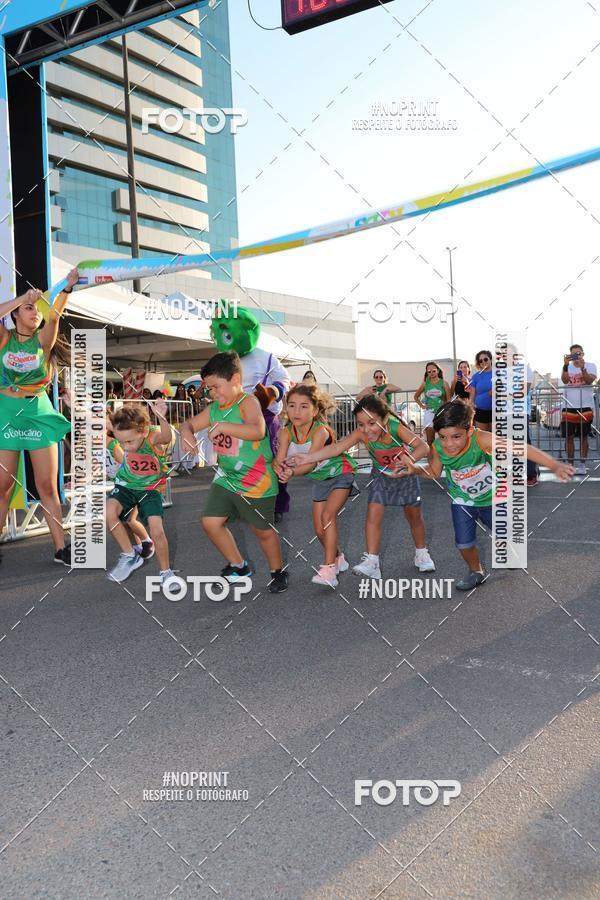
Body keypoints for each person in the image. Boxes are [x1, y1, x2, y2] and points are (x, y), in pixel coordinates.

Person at [403, 400, 574, 590]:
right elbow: (434, 472)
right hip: (463, 500)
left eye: (456, 436)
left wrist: (554, 465)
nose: (449, 443)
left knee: (503, 534)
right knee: (463, 543)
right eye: (443, 437)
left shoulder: (481, 439)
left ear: (469, 430)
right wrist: (414, 470)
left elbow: (521, 448)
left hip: (495, 497)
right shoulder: (437, 447)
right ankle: (475, 571)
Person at [286, 394, 434, 579]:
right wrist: (308, 457)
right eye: (361, 424)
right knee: (373, 515)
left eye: (372, 423)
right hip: (381, 476)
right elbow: (336, 448)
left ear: (384, 419)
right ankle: (372, 561)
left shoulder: (396, 429)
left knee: (414, 517)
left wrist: (409, 462)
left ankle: (421, 553)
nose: (366, 429)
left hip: (406, 475)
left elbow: (423, 447)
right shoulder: (361, 434)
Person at [179, 351, 288, 593]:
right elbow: (187, 424)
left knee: (263, 532)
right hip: (227, 478)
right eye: (209, 389)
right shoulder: (214, 409)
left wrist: (225, 427)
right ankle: (239, 565)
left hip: (256, 480)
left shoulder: (247, 402)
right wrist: (186, 434)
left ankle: (278, 571)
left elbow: (258, 431)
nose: (212, 393)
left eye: (216, 387)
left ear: (236, 379)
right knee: (210, 522)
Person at [0, 269, 78, 565]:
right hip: (6, 413)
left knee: (47, 486)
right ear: (16, 315)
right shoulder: (4, 339)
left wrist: (67, 289)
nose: (35, 312)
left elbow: (55, 316)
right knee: (2, 487)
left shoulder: (42, 341)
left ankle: (60, 549)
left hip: (37, 413)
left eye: (36, 309)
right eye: (28, 309)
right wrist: (22, 297)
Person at [273, 384, 358, 588]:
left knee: (328, 517)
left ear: (315, 410)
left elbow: (310, 463)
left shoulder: (320, 431)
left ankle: (329, 569)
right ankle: (338, 558)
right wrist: (279, 469)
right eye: (292, 406)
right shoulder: (285, 432)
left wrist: (291, 473)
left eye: (303, 406)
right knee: (319, 530)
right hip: (320, 481)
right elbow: (279, 459)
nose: (296, 411)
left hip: (341, 475)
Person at [106, 400, 175, 585]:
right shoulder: (123, 433)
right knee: (109, 513)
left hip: (149, 490)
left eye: (129, 441)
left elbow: (167, 437)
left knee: (157, 530)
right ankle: (130, 555)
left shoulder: (152, 437)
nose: (125, 447)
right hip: (126, 485)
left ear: (143, 432)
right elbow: (97, 421)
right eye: (121, 442)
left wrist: (161, 417)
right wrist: (76, 406)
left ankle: (166, 573)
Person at [105, 412, 155, 560]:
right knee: (122, 520)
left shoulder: (113, 444)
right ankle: (138, 547)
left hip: (132, 484)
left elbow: (127, 463)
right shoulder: (94, 446)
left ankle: (147, 542)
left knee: (130, 520)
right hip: (119, 485)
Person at [560, 343, 597, 475]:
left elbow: (589, 381)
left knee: (583, 437)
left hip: (585, 406)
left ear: (583, 354)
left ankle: (582, 464)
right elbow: (564, 381)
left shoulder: (591, 365)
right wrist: (565, 365)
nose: (576, 356)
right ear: (570, 355)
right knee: (568, 437)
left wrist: (583, 369)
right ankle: (570, 464)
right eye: (574, 354)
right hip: (568, 406)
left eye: (579, 353)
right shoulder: (567, 367)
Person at [414, 362, 451, 444]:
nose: (431, 373)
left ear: (438, 371)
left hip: (441, 413)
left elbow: (449, 400)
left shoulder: (444, 383)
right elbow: (416, 396)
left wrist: (445, 409)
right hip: (429, 413)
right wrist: (422, 406)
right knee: (430, 441)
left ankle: (443, 456)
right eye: (429, 372)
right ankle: (431, 456)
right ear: (427, 373)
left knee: (444, 439)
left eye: (433, 371)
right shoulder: (425, 383)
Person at [468, 350, 493, 432]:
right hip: (480, 412)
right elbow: (472, 397)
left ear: (490, 359)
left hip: (497, 411)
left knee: (497, 440)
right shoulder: (475, 376)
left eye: (485, 359)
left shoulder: (500, 374)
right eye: (480, 361)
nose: (483, 362)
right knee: (482, 439)